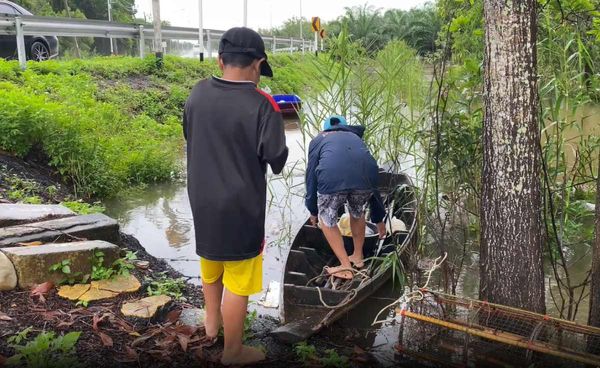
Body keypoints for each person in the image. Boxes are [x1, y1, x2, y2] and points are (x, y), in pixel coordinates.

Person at [183, 27, 288, 366]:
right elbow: (277, 159)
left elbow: (191, 134)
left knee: (211, 262)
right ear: (258, 64)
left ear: (219, 60)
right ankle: (233, 352)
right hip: (241, 207)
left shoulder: (197, 93)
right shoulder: (263, 104)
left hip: (202, 202)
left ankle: (211, 326)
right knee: (239, 280)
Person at [305, 115, 386, 280]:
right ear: (346, 127)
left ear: (325, 129)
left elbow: (311, 177)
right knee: (357, 212)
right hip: (364, 179)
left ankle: (345, 266)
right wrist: (379, 218)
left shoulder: (319, 139)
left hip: (331, 178)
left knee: (327, 219)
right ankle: (357, 256)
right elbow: (373, 181)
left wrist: (313, 210)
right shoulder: (355, 137)